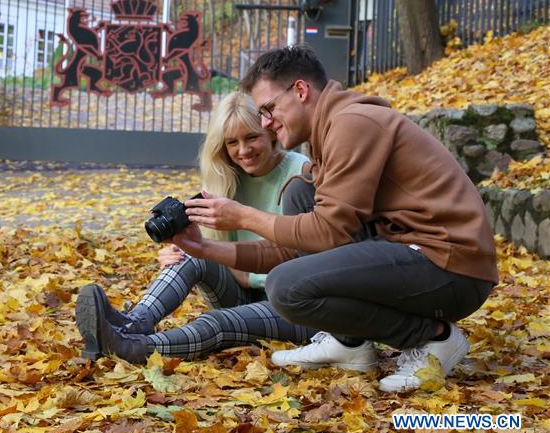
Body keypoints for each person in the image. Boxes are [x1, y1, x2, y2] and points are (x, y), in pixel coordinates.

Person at [186, 45, 497, 392]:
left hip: (452, 266)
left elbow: (327, 233)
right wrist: (204, 249)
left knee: (286, 287)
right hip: (419, 255)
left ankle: (434, 338)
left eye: (268, 109)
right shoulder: (331, 130)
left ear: (300, 91)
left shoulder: (352, 123)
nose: (266, 123)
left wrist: (243, 216)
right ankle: (348, 342)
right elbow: (294, 249)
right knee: (300, 194)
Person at [75, 91, 315, 363]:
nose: (243, 150)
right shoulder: (227, 177)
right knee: (189, 255)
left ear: (271, 132)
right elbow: (214, 251)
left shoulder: (301, 173)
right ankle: (134, 323)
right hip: (243, 294)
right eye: (232, 142)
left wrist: (224, 257)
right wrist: (183, 249)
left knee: (217, 322)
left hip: (294, 306)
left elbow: (304, 255)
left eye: (251, 137)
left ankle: (132, 348)